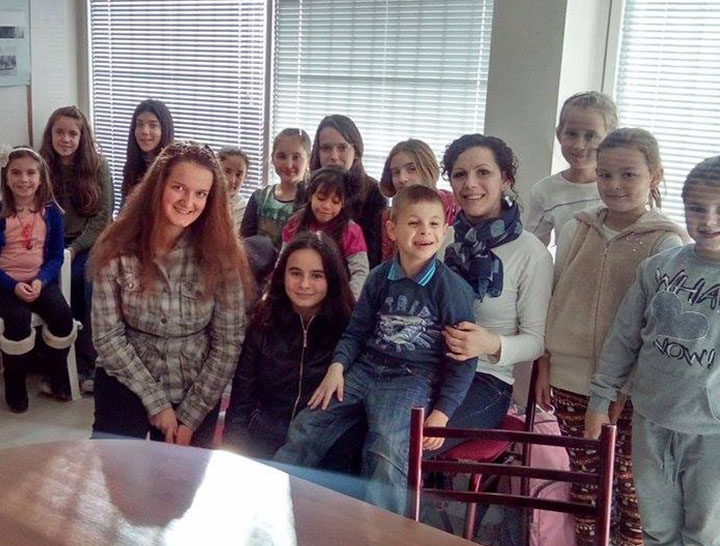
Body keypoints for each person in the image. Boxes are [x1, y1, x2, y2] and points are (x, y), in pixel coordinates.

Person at [274, 185, 478, 514]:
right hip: (365, 368)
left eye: (434, 224)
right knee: (309, 423)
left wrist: (443, 412)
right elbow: (356, 332)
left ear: (444, 230)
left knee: (387, 445)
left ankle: (382, 527)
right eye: (414, 223)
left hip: (411, 378)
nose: (425, 232)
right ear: (392, 229)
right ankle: (276, 500)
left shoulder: (451, 289)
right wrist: (337, 368)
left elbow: (464, 358)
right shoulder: (379, 278)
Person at [537, 128, 687, 546]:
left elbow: (658, 327)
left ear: (655, 176)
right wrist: (545, 362)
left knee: (630, 489)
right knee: (586, 485)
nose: (614, 185)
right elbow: (557, 292)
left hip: (631, 392)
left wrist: (622, 388)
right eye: (605, 175)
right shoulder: (578, 227)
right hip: (568, 380)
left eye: (628, 175)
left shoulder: (667, 241)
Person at [585, 155, 720, 546]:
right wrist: (600, 399)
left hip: (711, 433)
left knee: (705, 533)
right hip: (651, 420)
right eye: (697, 208)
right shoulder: (658, 268)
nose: (708, 220)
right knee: (656, 528)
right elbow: (624, 338)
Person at [89, 141, 252, 448]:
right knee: (115, 469)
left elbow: (228, 343)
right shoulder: (116, 246)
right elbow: (107, 337)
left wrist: (190, 417)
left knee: (185, 475)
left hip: (196, 386)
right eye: (179, 188)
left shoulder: (223, 254)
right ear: (157, 186)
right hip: (127, 376)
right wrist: (157, 403)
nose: (188, 202)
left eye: (201, 193)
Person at [437, 134, 553, 452]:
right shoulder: (442, 238)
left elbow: (536, 341)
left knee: (406, 441)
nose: (470, 184)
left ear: (505, 179)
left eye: (483, 172)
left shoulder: (531, 253)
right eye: (459, 174)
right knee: (363, 428)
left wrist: (490, 344)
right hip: (427, 366)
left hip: (486, 381)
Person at [224, 232, 355, 458]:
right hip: (262, 445)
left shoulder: (348, 329)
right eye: (295, 273)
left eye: (316, 275)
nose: (304, 284)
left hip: (320, 453)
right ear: (282, 274)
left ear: (332, 278)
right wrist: (234, 456)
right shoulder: (263, 321)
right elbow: (241, 403)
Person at [38, 105, 113, 391]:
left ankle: (89, 364)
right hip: (53, 244)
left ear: (83, 137)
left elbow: (102, 218)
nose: (66, 139)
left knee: (84, 281)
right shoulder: (41, 166)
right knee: (48, 287)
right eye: (60, 132)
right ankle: (56, 367)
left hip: (89, 243)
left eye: (73, 133)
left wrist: (74, 249)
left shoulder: (98, 166)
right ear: (50, 134)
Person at [0, 147, 77, 412]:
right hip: (6, 285)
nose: (24, 179)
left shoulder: (51, 211)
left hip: (39, 281)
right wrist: (13, 286)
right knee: (17, 320)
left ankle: (55, 373)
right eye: (16, 173)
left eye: (31, 173)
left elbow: (56, 255)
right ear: (6, 177)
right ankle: (15, 386)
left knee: (63, 317)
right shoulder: (1, 213)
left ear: (41, 177)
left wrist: (42, 280)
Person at [525, 92, 618, 247]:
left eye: (590, 136)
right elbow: (533, 248)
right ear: (559, 134)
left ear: (609, 139)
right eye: (572, 134)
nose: (579, 146)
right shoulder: (545, 191)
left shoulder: (619, 189)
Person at [309, 114, 387, 268]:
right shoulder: (306, 188)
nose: (334, 156)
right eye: (326, 148)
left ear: (356, 151)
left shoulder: (374, 193)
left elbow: (374, 257)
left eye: (342, 148)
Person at [282, 165, 369, 300]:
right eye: (321, 198)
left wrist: (349, 301)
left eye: (335, 201)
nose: (327, 206)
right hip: (299, 291)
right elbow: (282, 261)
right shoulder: (295, 223)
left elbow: (360, 272)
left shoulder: (352, 231)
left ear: (343, 203)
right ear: (311, 195)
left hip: (335, 297)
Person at [379, 139, 457, 261]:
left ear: (428, 169)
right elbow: (387, 260)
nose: (402, 178)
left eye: (411, 169)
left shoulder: (451, 204)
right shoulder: (390, 214)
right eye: (396, 172)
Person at [241, 128, 310, 248]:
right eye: (282, 156)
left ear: (308, 160)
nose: (288, 165)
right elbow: (244, 240)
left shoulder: (311, 201)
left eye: (296, 157)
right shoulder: (259, 197)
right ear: (273, 158)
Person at [121, 99, 174, 203]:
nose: (144, 131)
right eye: (139, 124)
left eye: (153, 125)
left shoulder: (174, 167)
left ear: (164, 130)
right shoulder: (133, 164)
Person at [218, 146, 250, 234]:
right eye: (227, 171)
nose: (232, 180)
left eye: (239, 174)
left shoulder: (244, 208)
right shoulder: (201, 199)